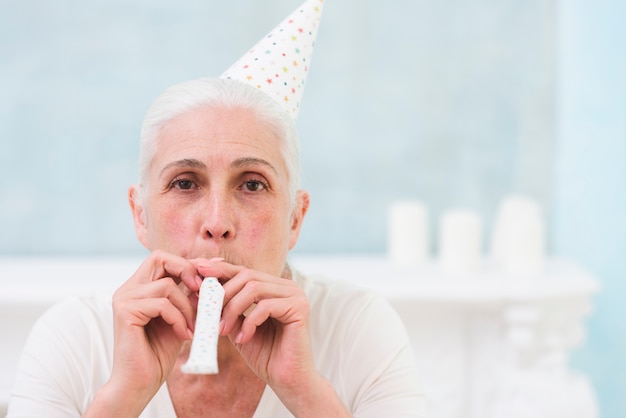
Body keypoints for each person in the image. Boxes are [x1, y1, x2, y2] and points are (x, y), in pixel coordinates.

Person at [8, 1, 425, 417]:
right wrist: (124, 395)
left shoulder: (358, 328)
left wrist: (304, 391)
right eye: (185, 183)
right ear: (140, 214)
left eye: (252, 185)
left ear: (295, 218)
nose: (216, 224)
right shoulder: (73, 338)